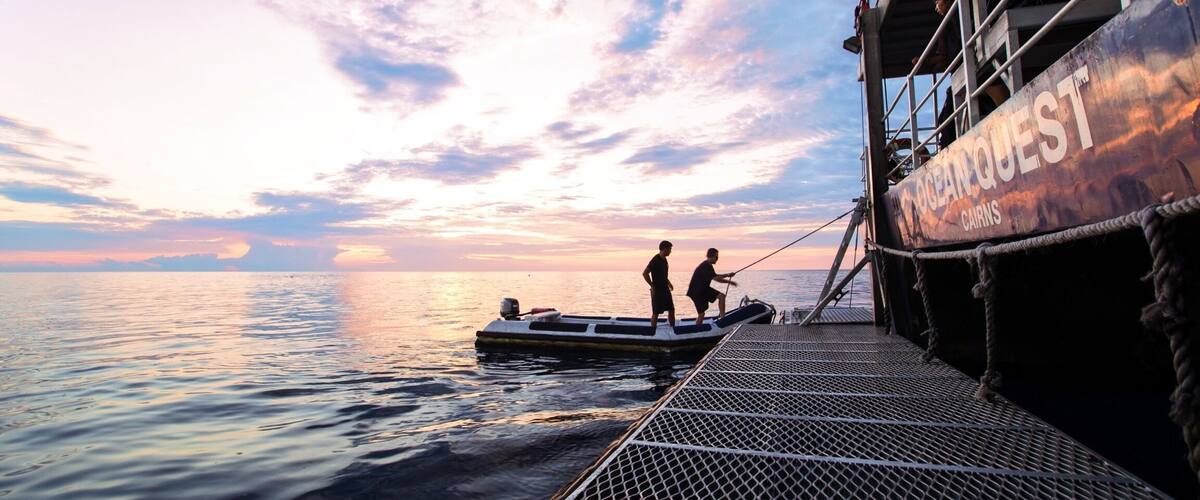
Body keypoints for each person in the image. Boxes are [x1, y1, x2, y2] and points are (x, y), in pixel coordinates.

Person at [686, 248, 738, 325]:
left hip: (704, 290)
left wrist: (728, 275)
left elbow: (715, 276)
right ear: (711, 256)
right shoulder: (705, 266)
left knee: (722, 296)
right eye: (716, 257)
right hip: (696, 292)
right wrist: (730, 282)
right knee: (701, 314)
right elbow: (716, 279)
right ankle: (697, 330)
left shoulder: (708, 265)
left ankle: (722, 317)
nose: (717, 259)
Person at [642, 240, 675, 330]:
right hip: (657, 290)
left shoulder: (665, 260)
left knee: (671, 309)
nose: (670, 251)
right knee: (656, 312)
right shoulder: (655, 260)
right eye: (669, 249)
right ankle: (653, 331)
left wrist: (669, 283)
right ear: (664, 249)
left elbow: (663, 274)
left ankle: (673, 328)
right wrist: (652, 286)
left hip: (665, 289)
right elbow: (645, 273)